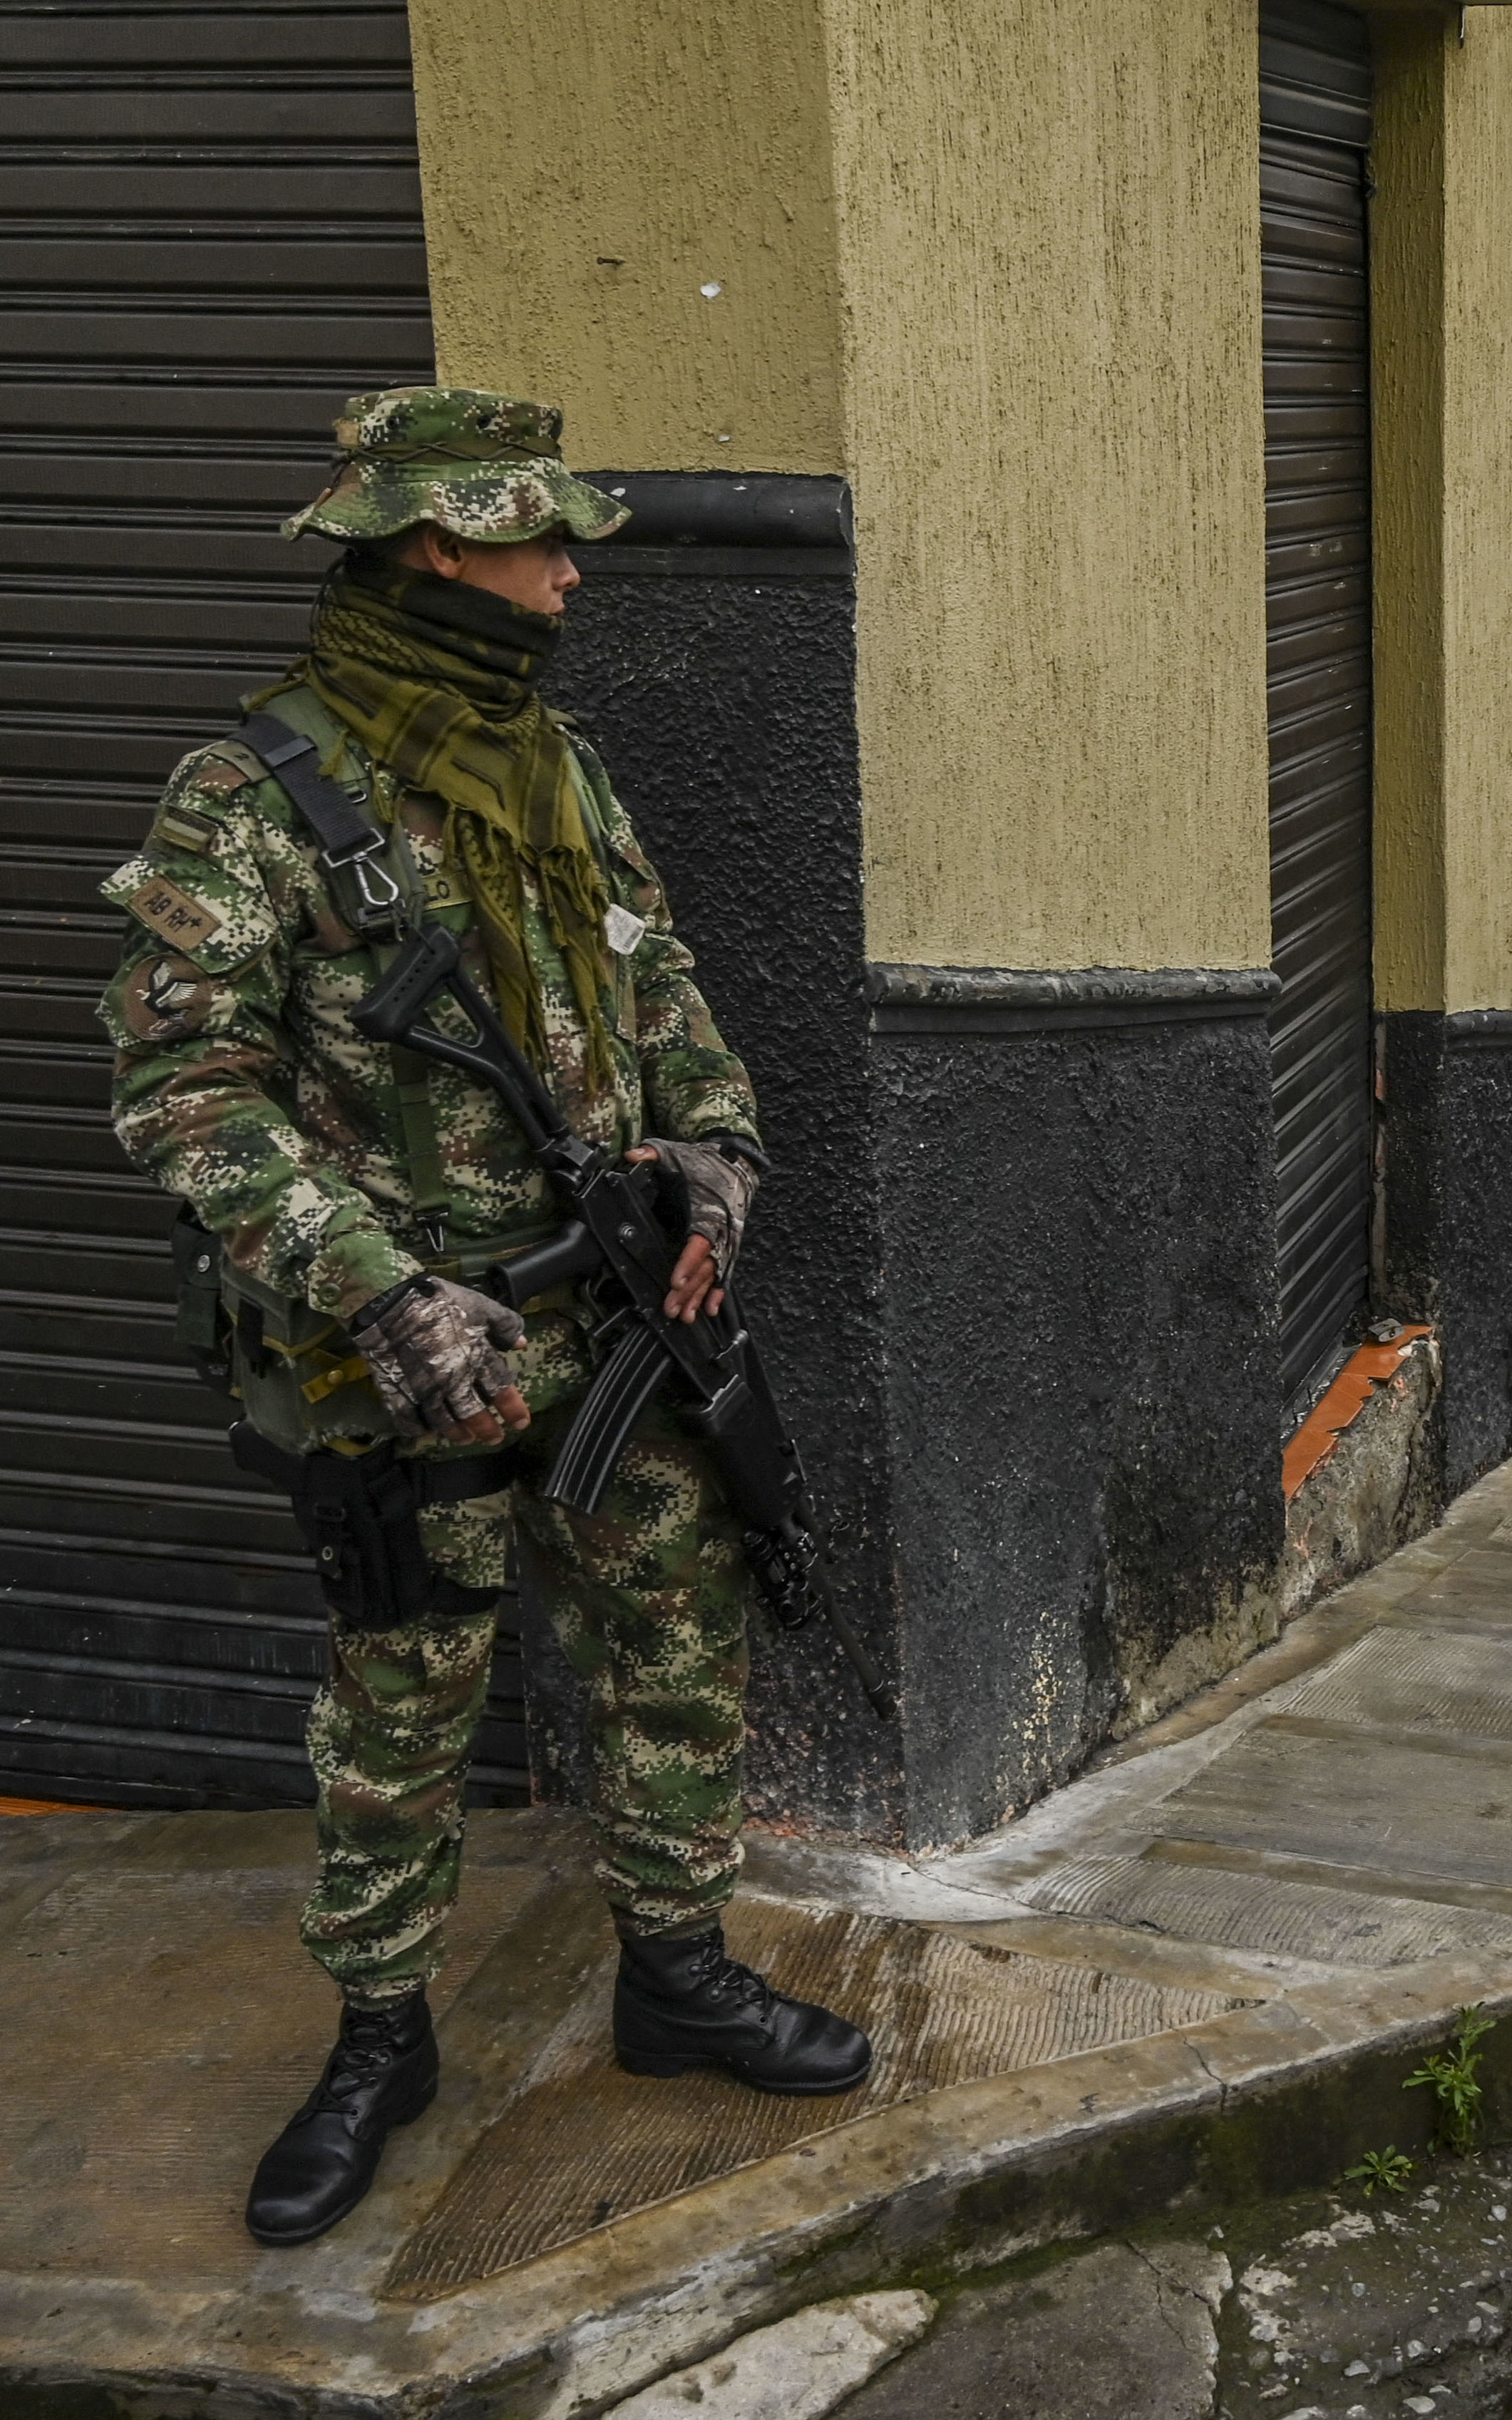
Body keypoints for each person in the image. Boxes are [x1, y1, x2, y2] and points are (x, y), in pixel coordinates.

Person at [98, 387, 870, 2250]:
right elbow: (182, 1088)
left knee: (676, 1646)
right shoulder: (253, 796)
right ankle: (379, 2040)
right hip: (405, 1356)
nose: (570, 564)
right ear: (434, 546)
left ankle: (675, 1975)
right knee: (402, 1703)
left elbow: (665, 990)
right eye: (539, 534)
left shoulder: (560, 770)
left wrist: (715, 1161)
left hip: (606, 1326)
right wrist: (374, 1286)